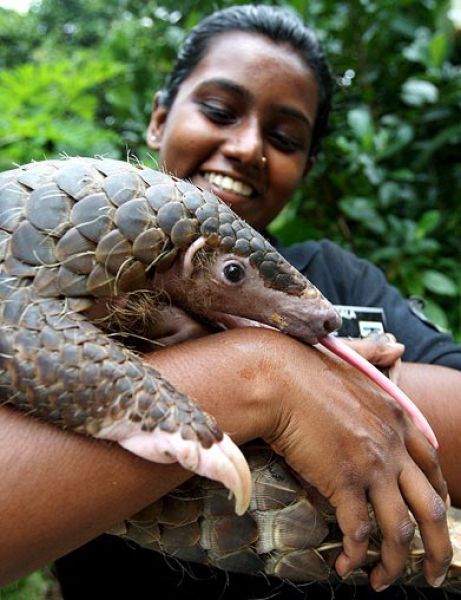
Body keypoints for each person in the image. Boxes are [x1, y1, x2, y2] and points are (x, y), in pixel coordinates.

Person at [1, 4, 460, 599]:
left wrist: (301, 362)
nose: (247, 147)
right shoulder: (58, 273)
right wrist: (260, 376)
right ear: (159, 119)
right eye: (219, 111)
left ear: (307, 167)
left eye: (285, 137)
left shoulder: (335, 274)